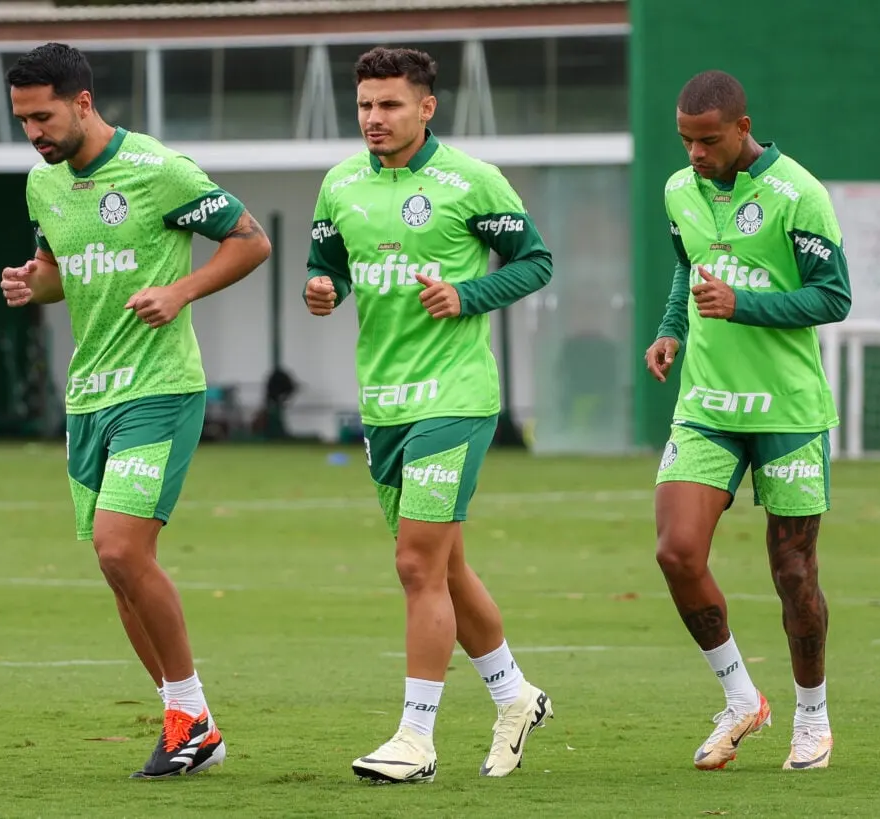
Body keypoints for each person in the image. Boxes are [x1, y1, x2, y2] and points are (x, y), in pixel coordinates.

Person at [0, 43, 271, 779]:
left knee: (122, 547)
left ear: (83, 102)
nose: (33, 133)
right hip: (88, 397)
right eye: (22, 120)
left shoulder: (159, 171)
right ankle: (190, 721)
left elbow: (251, 242)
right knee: (117, 569)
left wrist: (180, 291)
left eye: (43, 116)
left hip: (159, 389)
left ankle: (189, 709)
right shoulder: (42, 185)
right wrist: (35, 284)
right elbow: (58, 271)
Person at [305, 46, 554, 784]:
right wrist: (323, 288)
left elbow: (535, 261)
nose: (373, 119)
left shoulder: (471, 181)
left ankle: (415, 739)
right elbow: (331, 268)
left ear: (426, 107)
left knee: (416, 562)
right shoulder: (340, 182)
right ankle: (515, 695)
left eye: (388, 105)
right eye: (364, 106)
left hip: (455, 397)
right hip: (383, 404)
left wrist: (466, 294)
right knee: (444, 565)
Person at [644, 69, 851, 772]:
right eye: (685, 141)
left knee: (794, 573)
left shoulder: (800, 194)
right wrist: (673, 327)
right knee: (676, 552)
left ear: (741, 127)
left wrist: (746, 306)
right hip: (707, 406)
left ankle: (813, 716)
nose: (694, 154)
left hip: (788, 411)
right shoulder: (678, 189)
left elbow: (833, 297)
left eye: (706, 141)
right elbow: (689, 266)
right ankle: (740, 697)